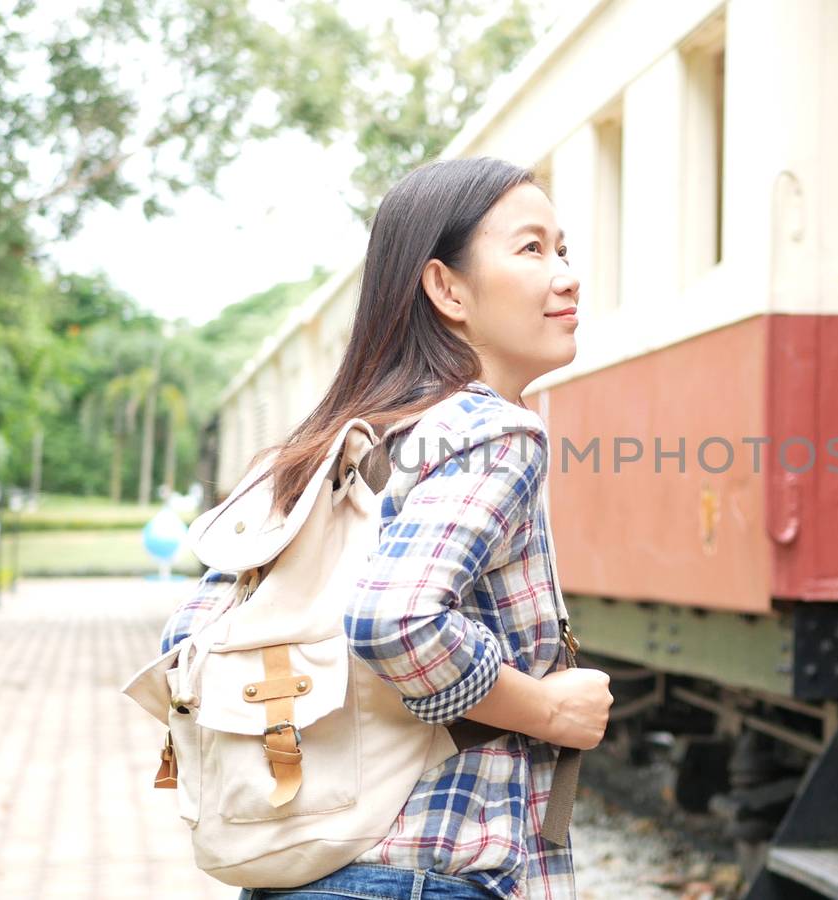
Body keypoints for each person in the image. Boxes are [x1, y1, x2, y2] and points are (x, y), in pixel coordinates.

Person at [161, 156, 612, 899]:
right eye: (532, 249)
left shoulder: (325, 446)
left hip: (301, 871)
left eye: (562, 249)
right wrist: (549, 707)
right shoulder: (495, 432)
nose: (566, 275)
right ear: (446, 287)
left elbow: (187, 638)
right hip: (418, 879)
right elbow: (394, 617)